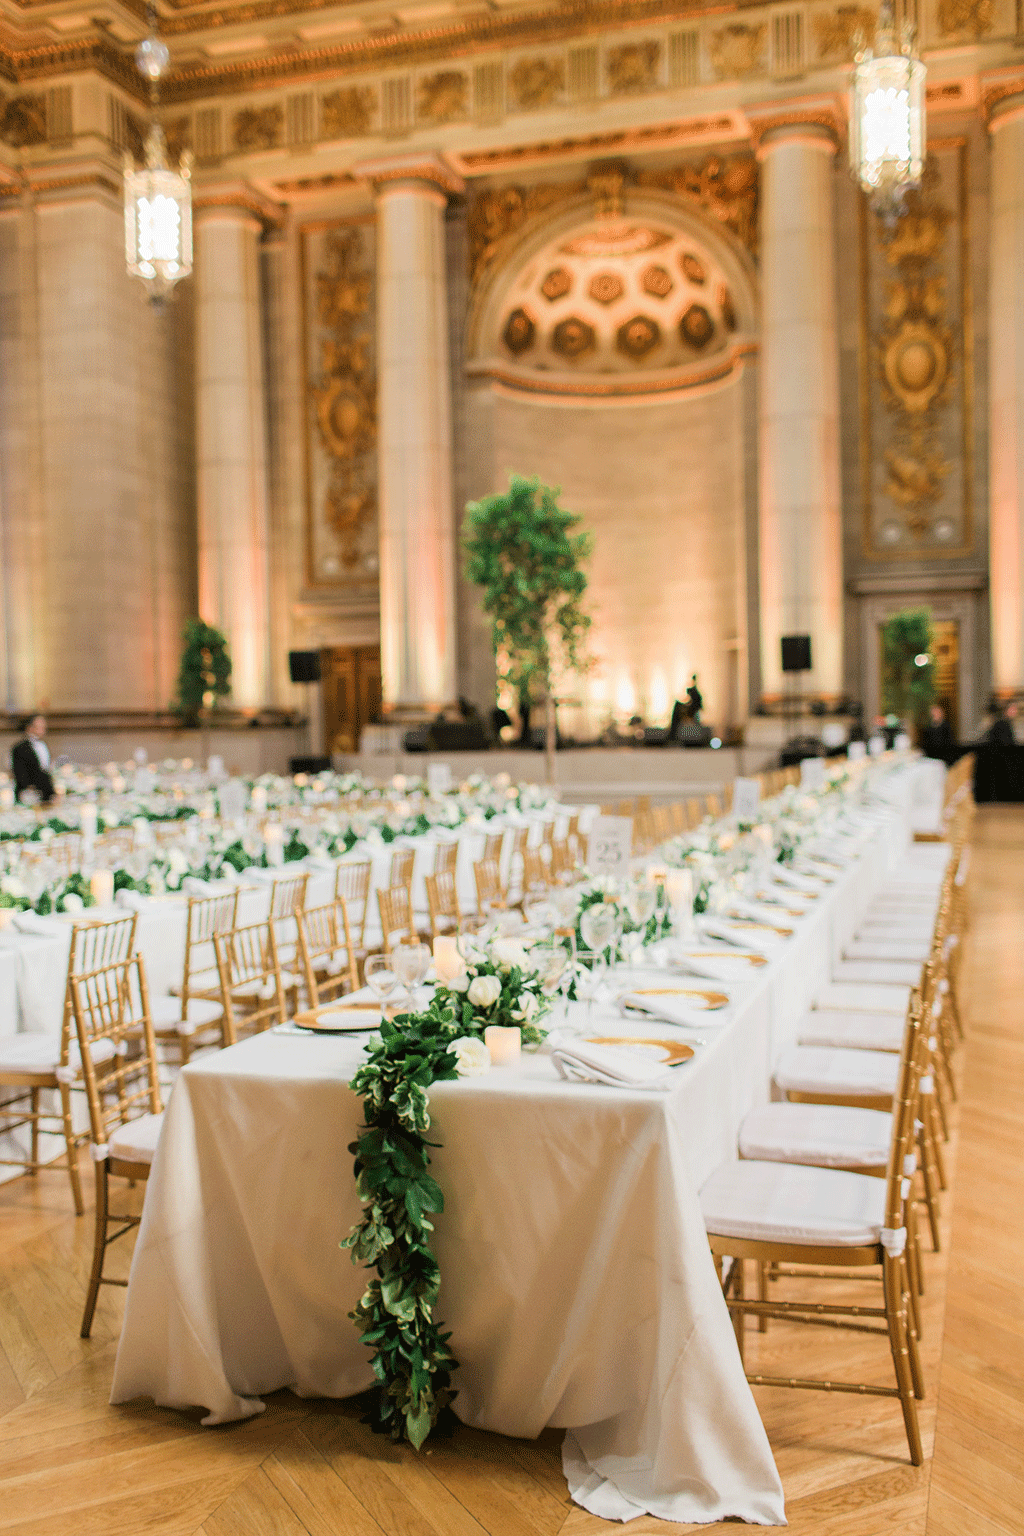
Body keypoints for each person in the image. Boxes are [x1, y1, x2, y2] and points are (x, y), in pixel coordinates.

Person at [11, 714, 55, 803]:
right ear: (29, 728)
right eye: (40, 726)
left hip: (45, 793)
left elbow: (45, 771)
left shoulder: (42, 745)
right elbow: (20, 775)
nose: (44, 728)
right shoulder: (19, 748)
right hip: (29, 796)